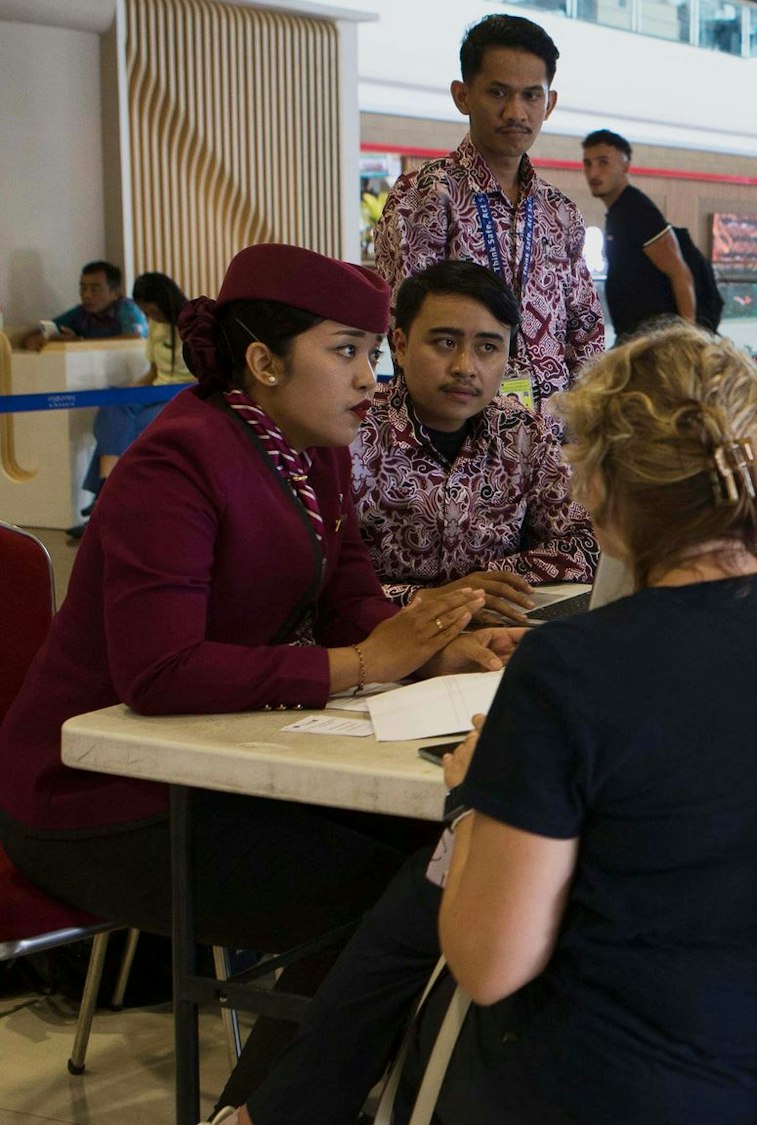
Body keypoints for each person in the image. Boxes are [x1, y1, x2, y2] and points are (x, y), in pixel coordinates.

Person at [233, 324, 757, 1125]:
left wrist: (473, 801)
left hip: (633, 1090)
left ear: (597, 486)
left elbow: (490, 963)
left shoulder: (574, 671)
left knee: (431, 909)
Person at [0, 243, 519, 1115]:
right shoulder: (179, 461)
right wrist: (363, 664)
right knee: (396, 892)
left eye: (371, 354)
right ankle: (261, 1109)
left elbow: (350, 588)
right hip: (96, 797)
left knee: (435, 853)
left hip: (203, 761)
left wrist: (429, 648)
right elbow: (160, 670)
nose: (368, 378)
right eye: (345, 351)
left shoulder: (310, 446)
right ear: (264, 362)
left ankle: (288, 1101)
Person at [373, 14, 604, 419]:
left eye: (531, 96)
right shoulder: (424, 195)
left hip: (549, 438)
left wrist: (588, 418)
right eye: (498, 93)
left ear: (549, 103)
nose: (516, 112)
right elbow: (403, 326)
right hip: (456, 433)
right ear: (463, 95)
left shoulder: (560, 212)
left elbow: (586, 331)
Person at [351, 260, 597, 624]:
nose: (465, 367)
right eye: (446, 342)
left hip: (492, 631)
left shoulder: (521, 431)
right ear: (400, 346)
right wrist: (425, 599)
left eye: (487, 348)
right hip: (378, 639)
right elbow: (315, 579)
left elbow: (587, 542)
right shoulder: (352, 433)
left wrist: (482, 584)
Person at [70, 271, 196, 539]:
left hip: (186, 394)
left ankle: (103, 499)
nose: (151, 317)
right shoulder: (156, 327)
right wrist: (130, 391)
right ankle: (106, 496)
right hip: (156, 389)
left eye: (152, 311)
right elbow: (152, 372)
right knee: (113, 404)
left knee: (129, 428)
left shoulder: (195, 323)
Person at [580, 128, 696, 337]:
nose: (593, 173)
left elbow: (679, 273)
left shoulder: (638, 210)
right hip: (634, 337)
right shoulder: (619, 212)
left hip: (655, 341)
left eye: (603, 162)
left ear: (625, 166)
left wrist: (688, 338)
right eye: (588, 164)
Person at [17, 260, 146, 352]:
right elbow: (43, 329)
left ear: (116, 293)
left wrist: (79, 343)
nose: (86, 295)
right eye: (83, 288)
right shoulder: (82, 312)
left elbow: (134, 338)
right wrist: (35, 340)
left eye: (95, 289)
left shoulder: (126, 307)